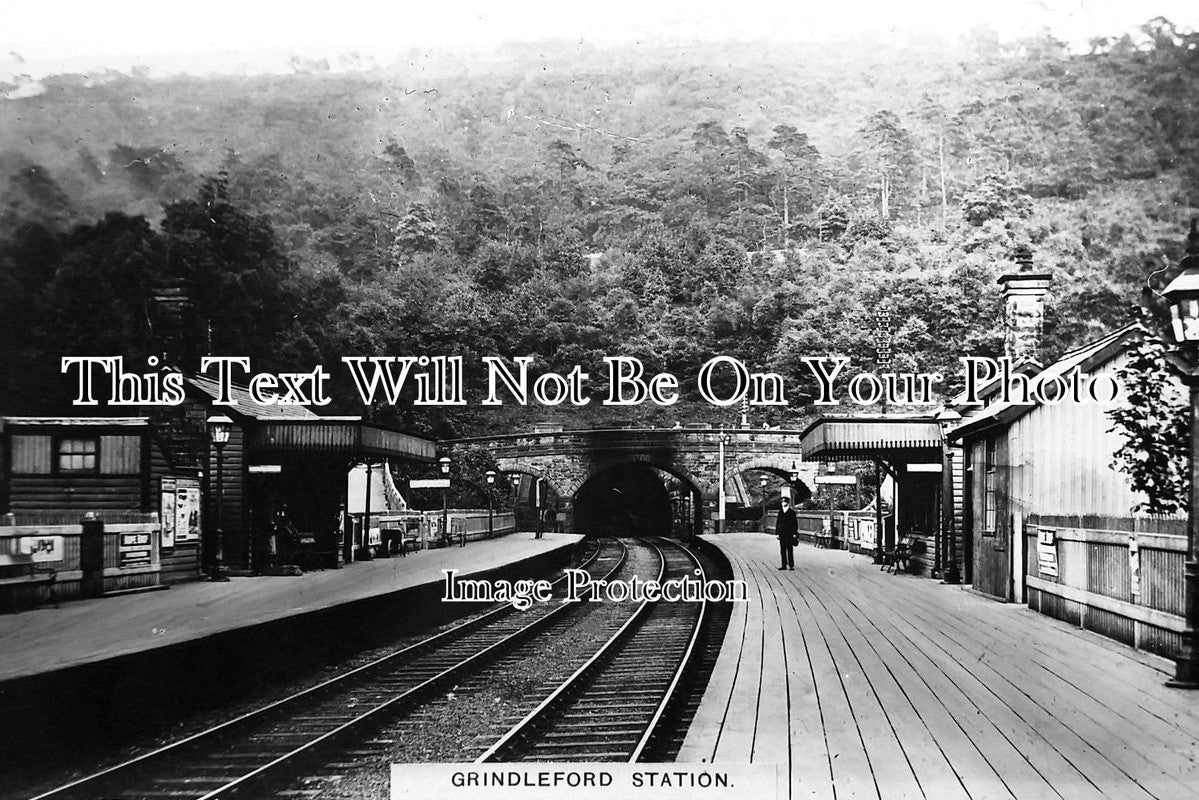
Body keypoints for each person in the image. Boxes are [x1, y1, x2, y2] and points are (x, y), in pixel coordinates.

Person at [776, 496, 798, 570]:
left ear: (787, 503)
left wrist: (795, 533)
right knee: (782, 550)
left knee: (789, 549)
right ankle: (784, 565)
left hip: (789, 534)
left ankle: (791, 565)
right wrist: (778, 533)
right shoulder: (780, 512)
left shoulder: (792, 512)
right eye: (782, 502)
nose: (783, 503)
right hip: (782, 534)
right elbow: (778, 523)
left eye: (784, 502)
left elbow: (795, 523)